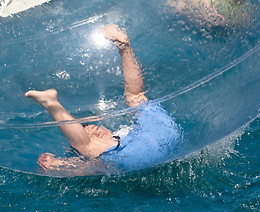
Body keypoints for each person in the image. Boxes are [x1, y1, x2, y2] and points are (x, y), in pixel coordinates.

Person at [25, 24, 180, 175]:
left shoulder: (109, 150)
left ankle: (51, 103)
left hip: (150, 142)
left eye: (97, 129)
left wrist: (55, 166)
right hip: (166, 130)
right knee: (135, 97)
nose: (96, 130)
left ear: (109, 130)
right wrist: (55, 164)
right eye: (91, 132)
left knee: (90, 149)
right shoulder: (115, 146)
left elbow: (77, 166)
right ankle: (124, 47)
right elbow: (77, 166)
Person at [166, 0, 252, 29]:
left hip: (207, 22)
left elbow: (247, 20)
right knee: (176, 5)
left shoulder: (244, 6)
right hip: (195, 6)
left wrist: (225, 21)